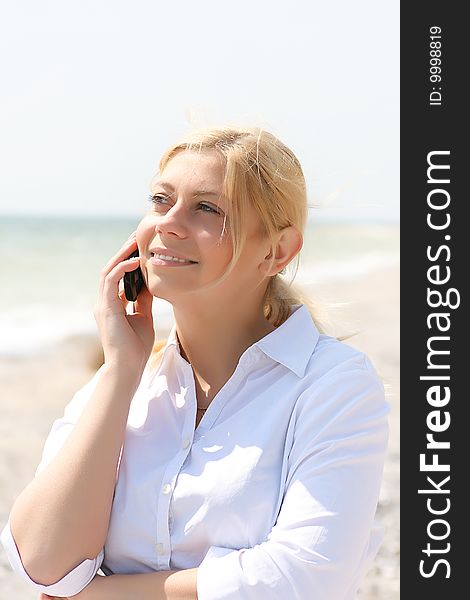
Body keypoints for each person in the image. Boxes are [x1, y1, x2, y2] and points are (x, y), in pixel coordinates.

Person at [1, 126, 389, 599]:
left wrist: (95, 596)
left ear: (277, 251)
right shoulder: (119, 388)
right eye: (161, 201)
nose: (168, 222)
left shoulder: (333, 385)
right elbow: (42, 564)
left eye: (207, 208)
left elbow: (299, 581)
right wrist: (121, 370)